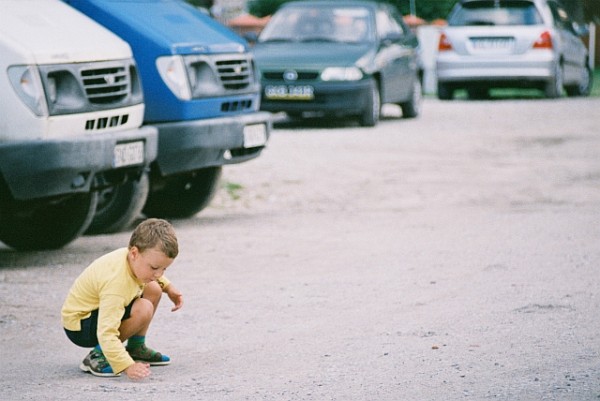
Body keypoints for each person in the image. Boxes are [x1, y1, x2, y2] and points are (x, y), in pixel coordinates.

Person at [61, 218, 183, 380]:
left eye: (164, 269)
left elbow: (156, 279)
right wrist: (126, 365)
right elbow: (107, 331)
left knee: (153, 288)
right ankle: (98, 355)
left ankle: (136, 347)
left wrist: (168, 288)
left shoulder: (131, 258)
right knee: (143, 308)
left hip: (96, 312)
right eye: (154, 268)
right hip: (81, 326)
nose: (159, 274)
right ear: (134, 253)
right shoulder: (117, 284)